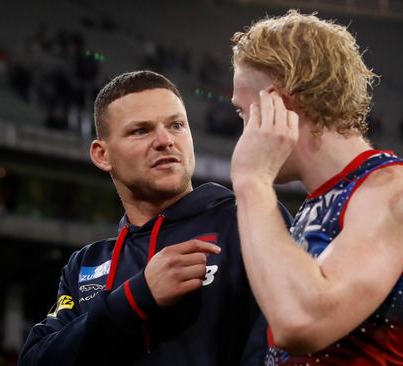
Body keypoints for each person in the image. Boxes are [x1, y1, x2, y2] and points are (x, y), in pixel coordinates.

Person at [19, 71, 289, 365]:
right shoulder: (85, 266)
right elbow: (35, 359)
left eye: (176, 125)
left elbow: (285, 344)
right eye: (141, 130)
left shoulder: (247, 220)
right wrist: (137, 297)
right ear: (102, 154)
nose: (165, 140)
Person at [229, 10, 403, 365]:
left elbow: (300, 322)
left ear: (281, 103)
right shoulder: (326, 199)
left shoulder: (398, 190)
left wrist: (252, 182)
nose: (243, 130)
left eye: (244, 113)